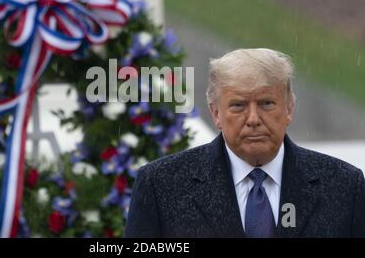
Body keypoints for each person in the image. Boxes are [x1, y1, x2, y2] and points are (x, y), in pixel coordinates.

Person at [124, 48, 365, 238]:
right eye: (238, 105)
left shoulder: (344, 186)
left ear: (290, 108)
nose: (253, 119)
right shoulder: (161, 185)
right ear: (216, 113)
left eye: (266, 104)